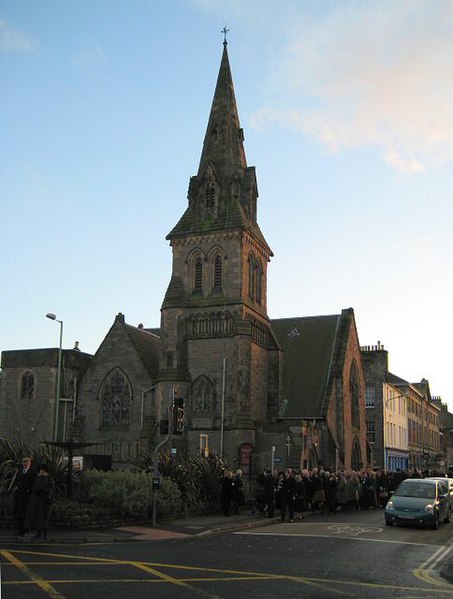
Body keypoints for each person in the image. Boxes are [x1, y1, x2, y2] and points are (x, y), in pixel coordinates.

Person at [25, 464, 55, 539]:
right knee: (38, 517)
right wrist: (35, 491)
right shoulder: (37, 477)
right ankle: (39, 532)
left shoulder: (49, 477)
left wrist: (44, 491)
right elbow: (34, 486)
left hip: (45, 500)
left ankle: (45, 533)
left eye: (42, 470)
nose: (40, 471)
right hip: (37, 500)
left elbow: (51, 488)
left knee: (45, 517)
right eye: (40, 470)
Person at [13, 456, 36, 535]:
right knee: (19, 514)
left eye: (26, 461)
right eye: (23, 461)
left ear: (30, 462)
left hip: (27, 497)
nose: (25, 463)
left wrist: (29, 491)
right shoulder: (20, 471)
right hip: (19, 496)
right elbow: (17, 482)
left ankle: (26, 530)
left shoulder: (32, 472)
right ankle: (20, 530)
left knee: (26, 514)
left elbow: (34, 484)